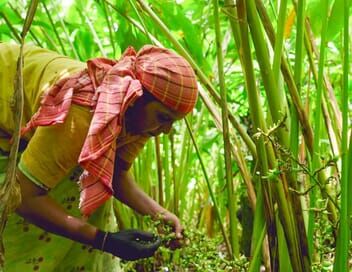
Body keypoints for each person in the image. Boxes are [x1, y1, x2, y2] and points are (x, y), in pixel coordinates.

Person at [0, 42, 198, 271]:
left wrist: (160, 214)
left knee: (92, 189)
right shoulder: (81, 116)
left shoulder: (139, 118)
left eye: (172, 121)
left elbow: (116, 174)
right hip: (6, 95)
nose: (166, 130)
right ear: (135, 97)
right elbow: (22, 196)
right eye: (164, 118)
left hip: (30, 125)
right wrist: (104, 240)